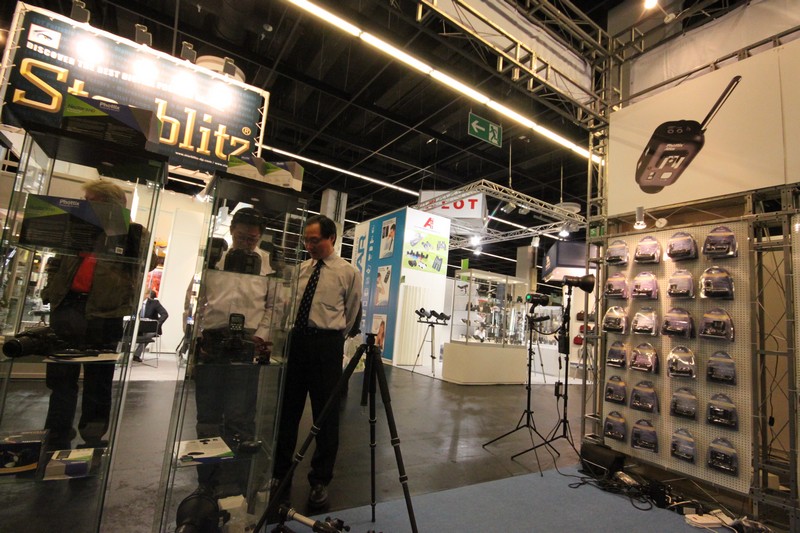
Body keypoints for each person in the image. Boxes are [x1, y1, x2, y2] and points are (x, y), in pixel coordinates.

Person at [41, 179, 141, 449]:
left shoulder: (129, 233)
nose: (86, 206)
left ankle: (93, 437)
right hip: (68, 307)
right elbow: (57, 262)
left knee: (99, 380)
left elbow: (145, 262)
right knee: (61, 377)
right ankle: (57, 434)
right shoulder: (79, 229)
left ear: (110, 204)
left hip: (105, 314)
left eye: (92, 202)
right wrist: (51, 292)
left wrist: (121, 227)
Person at [272, 214, 363, 509]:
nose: (309, 246)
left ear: (331, 238)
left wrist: (332, 338)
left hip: (326, 346)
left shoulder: (348, 272)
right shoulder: (301, 270)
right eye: (306, 241)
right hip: (296, 344)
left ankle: (320, 480)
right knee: (288, 412)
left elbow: (351, 313)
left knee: (326, 416)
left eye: (315, 240)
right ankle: (279, 474)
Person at [190, 207, 275, 498]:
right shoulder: (214, 262)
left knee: (241, 417)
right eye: (241, 237)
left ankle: (239, 483)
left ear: (259, 237)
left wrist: (261, 336)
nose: (246, 243)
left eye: (252, 239)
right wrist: (199, 335)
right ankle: (207, 480)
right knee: (208, 417)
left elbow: (274, 307)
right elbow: (198, 301)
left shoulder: (267, 267)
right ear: (231, 231)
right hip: (213, 342)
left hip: (248, 343)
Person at [133, 290, 169, 362]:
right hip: (138, 327)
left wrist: (156, 324)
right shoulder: (136, 303)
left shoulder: (154, 303)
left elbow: (165, 314)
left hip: (151, 328)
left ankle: (136, 355)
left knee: (147, 335)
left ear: (147, 295)